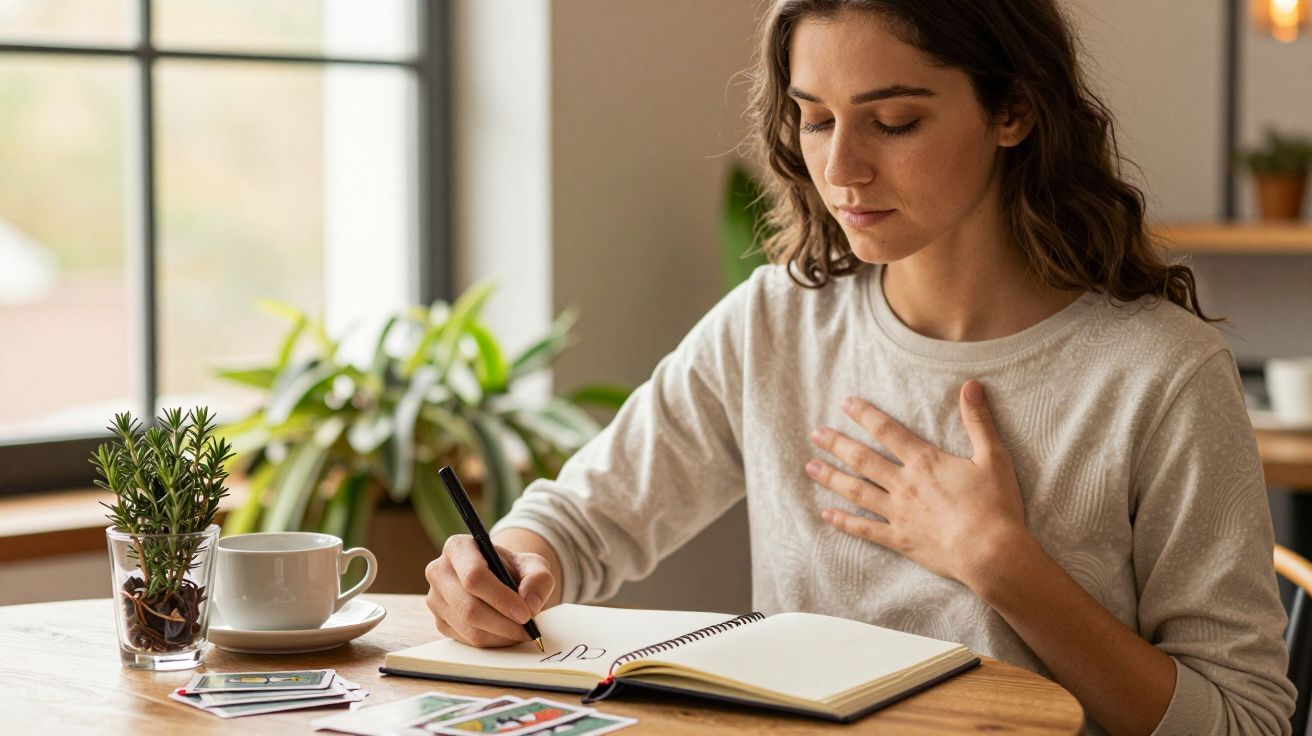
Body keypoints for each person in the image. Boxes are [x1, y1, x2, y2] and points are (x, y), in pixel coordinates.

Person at [424, 1, 1296, 733]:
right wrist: (504, 569)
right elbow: (581, 523)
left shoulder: (1161, 374)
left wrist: (1003, 566)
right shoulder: (775, 322)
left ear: (1014, 111)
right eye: (815, 117)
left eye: (894, 122)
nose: (841, 169)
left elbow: (1243, 719)